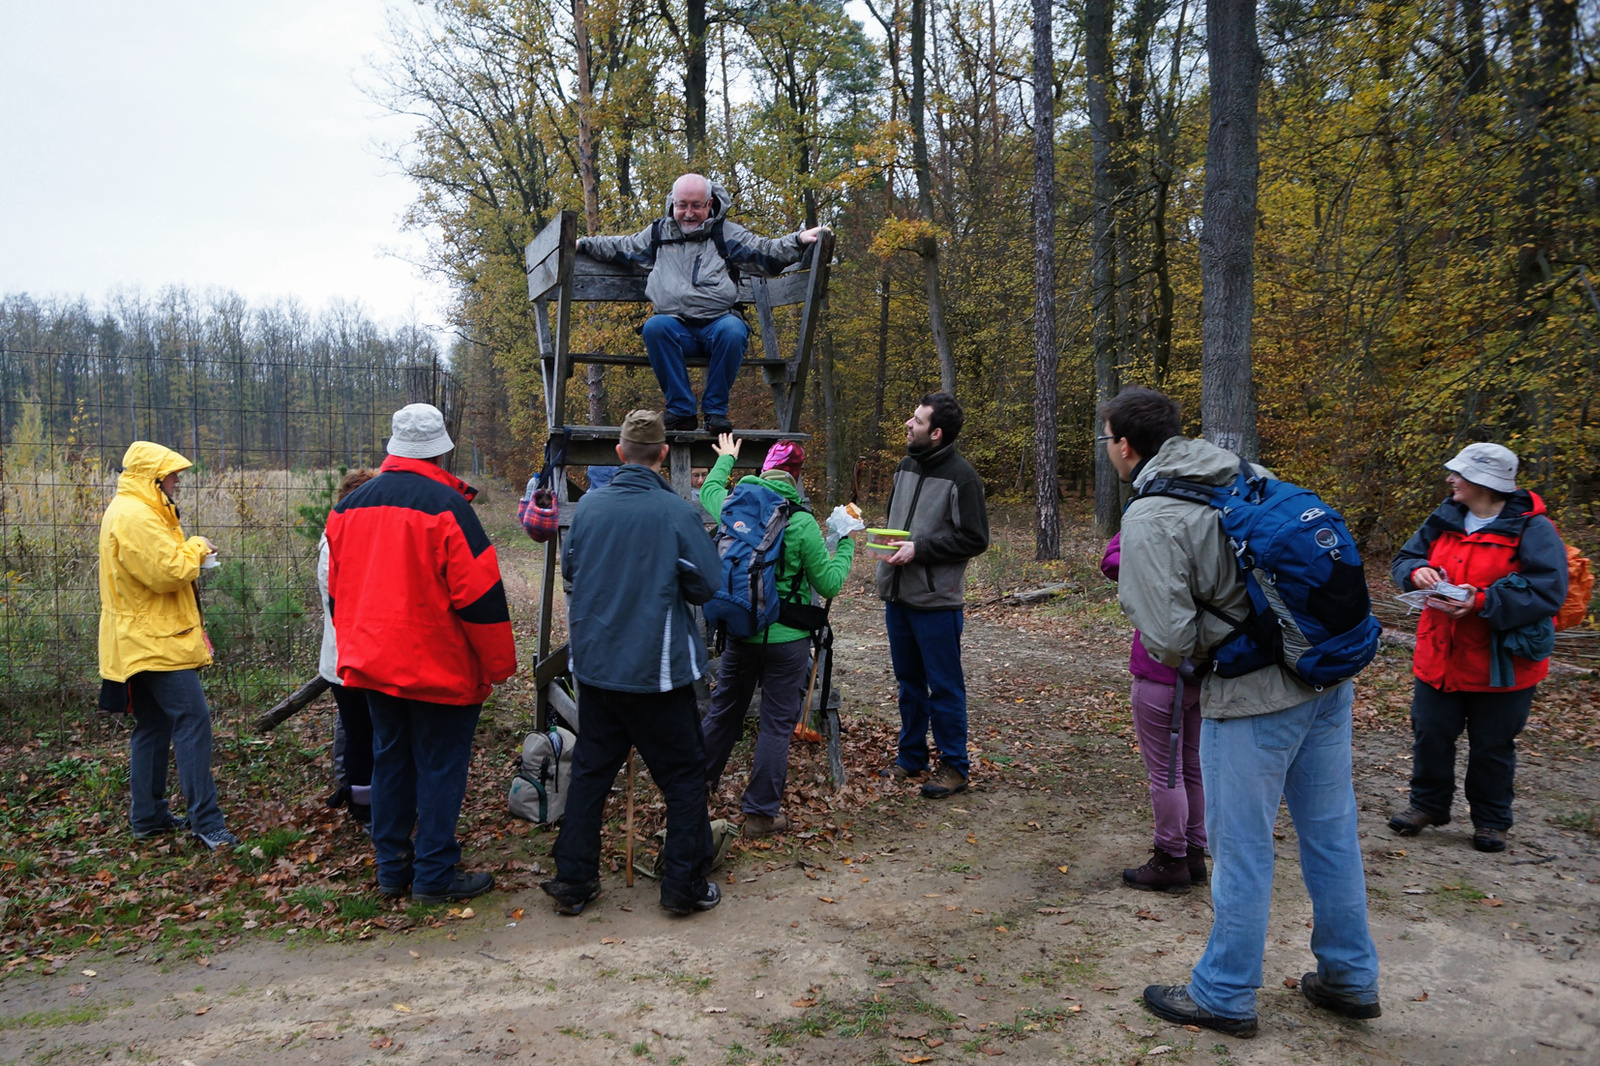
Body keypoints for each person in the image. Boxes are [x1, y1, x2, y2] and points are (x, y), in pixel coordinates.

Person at [1105, 386, 1380, 1038]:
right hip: (1322, 678)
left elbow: (1167, 641)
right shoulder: (1239, 470)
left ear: (1124, 444)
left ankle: (1224, 992)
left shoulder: (1150, 516)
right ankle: (1350, 976)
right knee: (1332, 832)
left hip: (1253, 699)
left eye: (1108, 439)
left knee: (1243, 849)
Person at [326, 404, 516, 904]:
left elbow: (337, 591)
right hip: (440, 667)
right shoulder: (449, 509)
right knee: (439, 767)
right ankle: (434, 875)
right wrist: (500, 666)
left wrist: (353, 647)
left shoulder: (349, 507)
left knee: (390, 761)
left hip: (372, 663)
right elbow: (480, 598)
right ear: (442, 449)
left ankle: (392, 869)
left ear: (394, 445)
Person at [541, 410, 725, 916]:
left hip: (597, 672)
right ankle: (683, 888)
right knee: (685, 779)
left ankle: (574, 882)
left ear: (620, 453)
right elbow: (707, 584)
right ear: (662, 454)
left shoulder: (588, 509)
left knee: (592, 775)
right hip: (655, 676)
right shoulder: (676, 513)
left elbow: (573, 571)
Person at [1387, 443, 1567, 853]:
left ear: (1484, 482)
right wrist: (1418, 572)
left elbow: (1549, 591)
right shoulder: (1444, 517)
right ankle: (1428, 805)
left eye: (1459, 474)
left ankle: (1490, 821)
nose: (1450, 479)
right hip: (1440, 655)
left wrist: (1481, 602)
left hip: (1502, 664)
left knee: (1492, 745)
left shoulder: (1533, 528)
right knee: (1430, 733)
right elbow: (1405, 558)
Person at [577, 173, 829, 434]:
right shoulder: (658, 234)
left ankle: (715, 412)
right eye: (682, 205)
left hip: (717, 327)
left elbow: (765, 250)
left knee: (734, 330)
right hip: (676, 328)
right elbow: (620, 246)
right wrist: (582, 244)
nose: (688, 213)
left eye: (696, 205)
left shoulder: (725, 234)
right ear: (672, 203)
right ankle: (682, 411)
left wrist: (798, 239)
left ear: (709, 204)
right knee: (655, 327)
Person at [700, 436, 856, 837]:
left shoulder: (734, 503)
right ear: (796, 477)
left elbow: (708, 490)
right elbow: (830, 583)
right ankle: (760, 815)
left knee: (722, 715)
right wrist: (846, 542)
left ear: (764, 470)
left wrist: (727, 459)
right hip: (787, 644)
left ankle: (693, 792)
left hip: (740, 631)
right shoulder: (801, 522)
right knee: (774, 726)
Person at [98, 442, 239, 851]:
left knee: (154, 725)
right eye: (174, 475)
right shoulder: (135, 516)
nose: (179, 481)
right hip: (154, 641)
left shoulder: (139, 510)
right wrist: (197, 546)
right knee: (193, 722)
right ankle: (208, 824)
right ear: (154, 478)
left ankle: (149, 816)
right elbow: (168, 572)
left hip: (142, 638)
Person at [876, 392, 990, 799]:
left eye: (917, 420)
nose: (908, 424)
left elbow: (975, 538)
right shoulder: (905, 466)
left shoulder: (963, 477)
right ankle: (911, 757)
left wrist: (919, 549)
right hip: (898, 594)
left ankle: (955, 767)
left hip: (937, 602)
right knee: (909, 683)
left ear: (936, 433)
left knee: (944, 686)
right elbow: (901, 522)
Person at [1101, 532, 1207, 891]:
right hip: (1204, 667)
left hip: (1161, 669)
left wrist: (1138, 529)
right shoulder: (1218, 519)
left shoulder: (1156, 520)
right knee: (1193, 767)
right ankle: (1193, 852)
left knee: (1167, 772)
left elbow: (1112, 560)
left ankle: (1171, 858)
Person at [318, 469, 376, 830]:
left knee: (357, 728)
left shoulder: (352, 537)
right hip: (350, 655)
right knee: (361, 732)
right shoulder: (335, 543)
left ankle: (355, 791)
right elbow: (344, 601)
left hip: (358, 654)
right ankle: (361, 806)